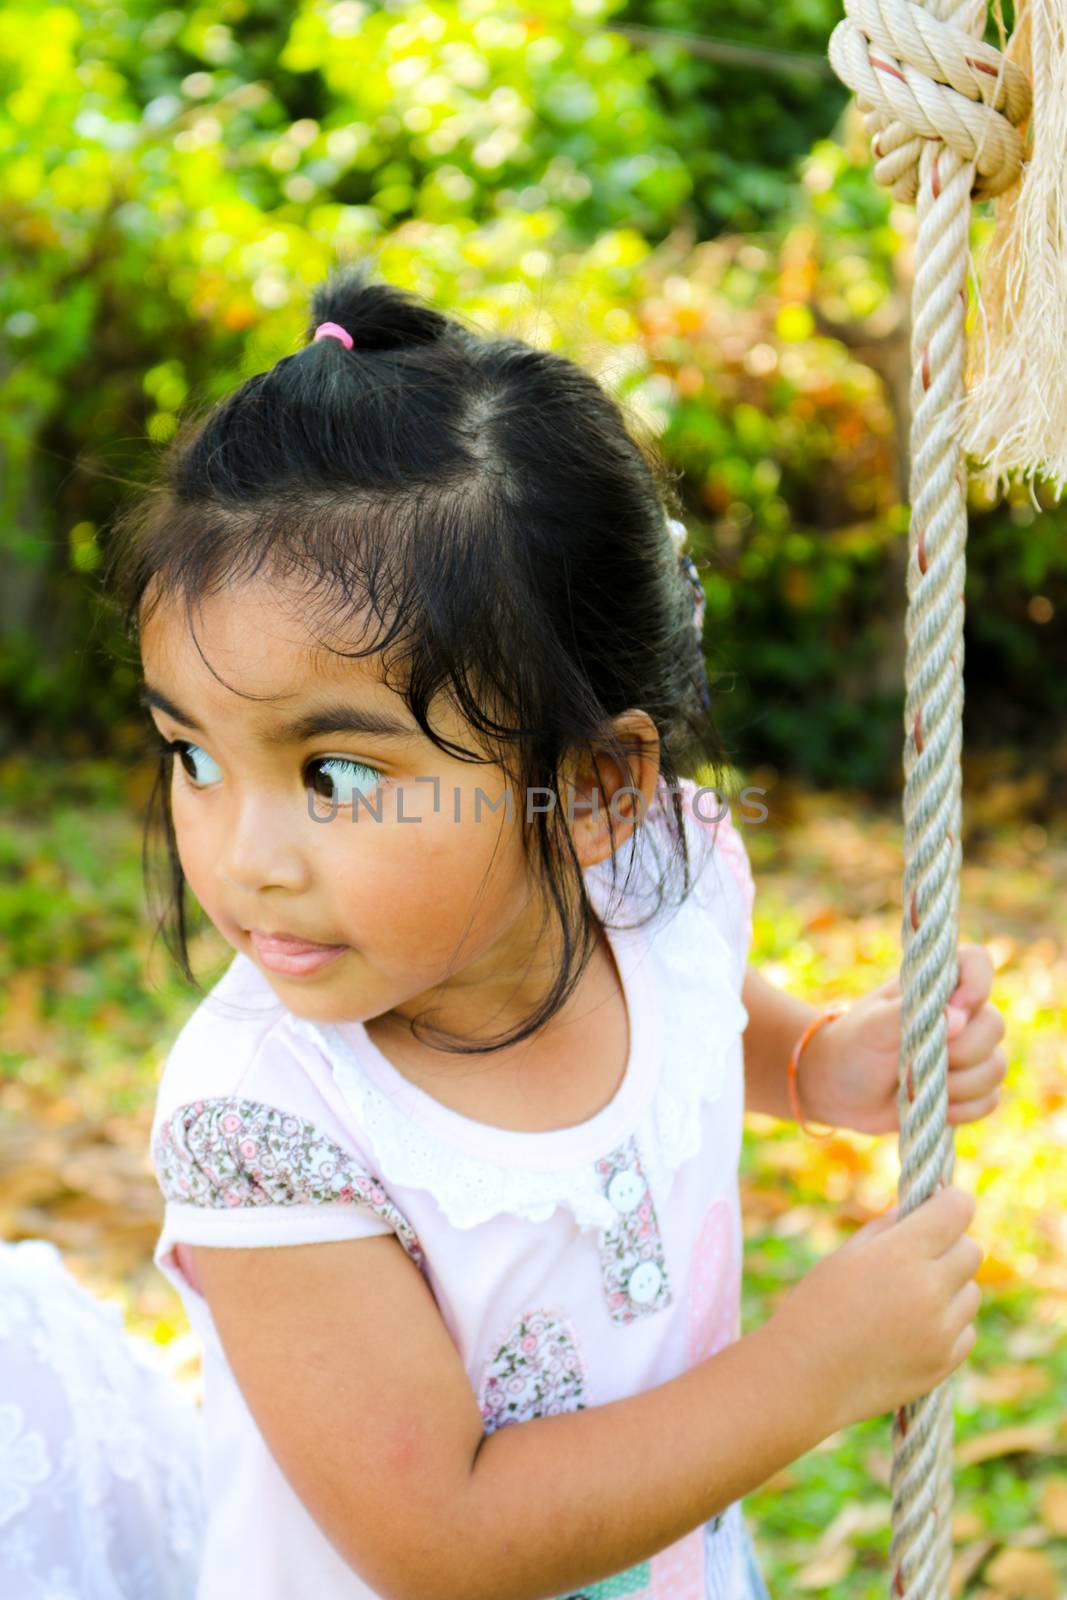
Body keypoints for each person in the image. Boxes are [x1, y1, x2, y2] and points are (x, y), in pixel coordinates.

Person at [0, 261, 1007, 1600]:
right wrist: (813, 1369)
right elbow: (444, 1539)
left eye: (334, 779)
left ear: (594, 791)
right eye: (190, 755)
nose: (241, 858)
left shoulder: (659, 884)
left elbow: (694, 1003)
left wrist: (818, 1060)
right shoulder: (267, 1123)